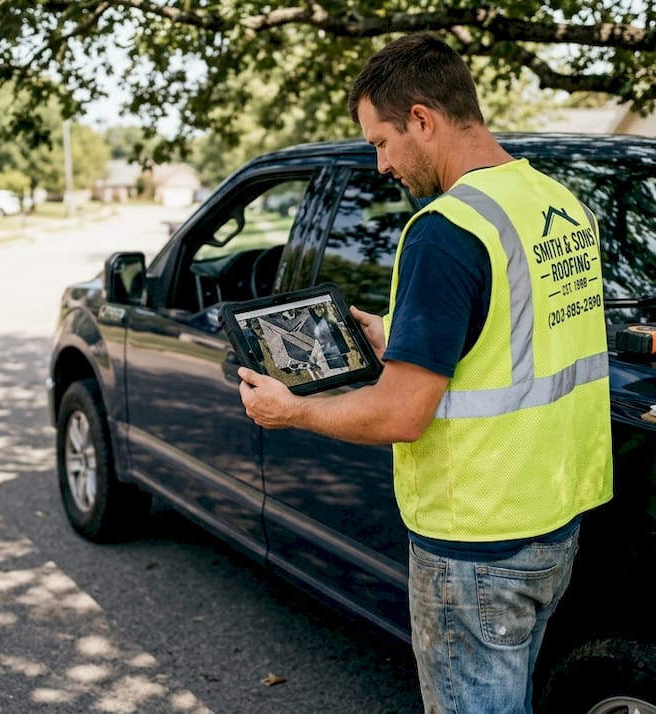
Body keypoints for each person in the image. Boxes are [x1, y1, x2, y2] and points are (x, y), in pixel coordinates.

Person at [236, 32, 614, 714]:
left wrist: (291, 410)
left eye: (381, 141)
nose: (380, 164)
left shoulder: (446, 230)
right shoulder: (558, 205)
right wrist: (405, 341)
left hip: (475, 541)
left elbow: (400, 415)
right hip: (555, 520)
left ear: (421, 119)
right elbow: (520, 340)